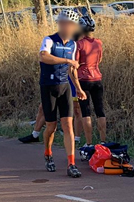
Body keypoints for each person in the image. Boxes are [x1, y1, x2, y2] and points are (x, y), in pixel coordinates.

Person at [39, 9, 87, 178]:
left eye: (71, 25)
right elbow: (43, 57)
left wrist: (79, 88)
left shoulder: (72, 44)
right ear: (60, 23)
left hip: (64, 86)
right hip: (48, 86)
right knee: (51, 126)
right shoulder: (49, 40)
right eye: (64, 23)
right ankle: (47, 153)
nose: (68, 27)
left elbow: (72, 69)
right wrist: (67, 60)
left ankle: (71, 164)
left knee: (68, 125)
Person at [74, 15, 107, 148]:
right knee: (100, 110)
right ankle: (103, 141)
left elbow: (75, 64)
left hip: (84, 79)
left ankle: (89, 143)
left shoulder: (79, 44)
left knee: (86, 111)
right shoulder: (98, 42)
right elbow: (99, 60)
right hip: (97, 77)